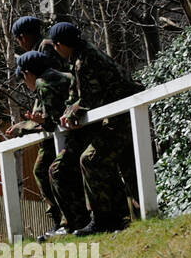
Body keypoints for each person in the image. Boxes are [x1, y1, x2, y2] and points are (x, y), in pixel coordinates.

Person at [49, 21, 142, 235]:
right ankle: (122, 219)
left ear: (61, 44)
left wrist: (72, 113)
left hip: (123, 118)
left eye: (56, 45)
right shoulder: (81, 56)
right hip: (122, 117)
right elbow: (77, 96)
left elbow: (91, 98)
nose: (56, 50)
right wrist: (68, 112)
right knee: (122, 167)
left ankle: (104, 220)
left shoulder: (84, 61)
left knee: (90, 160)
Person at [7, 50, 77, 238]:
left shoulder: (44, 83)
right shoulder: (55, 76)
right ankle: (65, 220)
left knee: (52, 170)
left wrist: (36, 122)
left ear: (27, 74)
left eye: (23, 80)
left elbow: (53, 121)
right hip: (73, 131)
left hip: (75, 134)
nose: (25, 84)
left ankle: (69, 221)